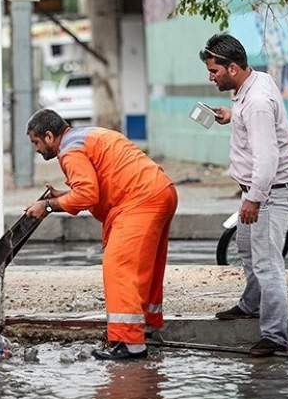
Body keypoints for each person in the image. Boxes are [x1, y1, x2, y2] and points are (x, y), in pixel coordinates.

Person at [24, 109, 178, 360]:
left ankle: (130, 343)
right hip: (161, 191)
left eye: (36, 142)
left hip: (139, 200)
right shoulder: (87, 136)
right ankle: (147, 328)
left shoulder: (69, 152)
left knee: (118, 267)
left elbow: (87, 194)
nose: (37, 149)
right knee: (146, 268)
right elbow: (99, 182)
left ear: (49, 136)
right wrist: (62, 196)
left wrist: (48, 206)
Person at [200, 33, 288, 357]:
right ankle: (250, 303)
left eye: (214, 71)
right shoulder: (254, 84)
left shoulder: (255, 102)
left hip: (268, 194)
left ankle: (275, 336)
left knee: (268, 263)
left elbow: (267, 158)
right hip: (258, 191)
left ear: (232, 68)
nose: (210, 77)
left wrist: (254, 200)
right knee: (245, 247)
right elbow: (258, 123)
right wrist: (231, 116)